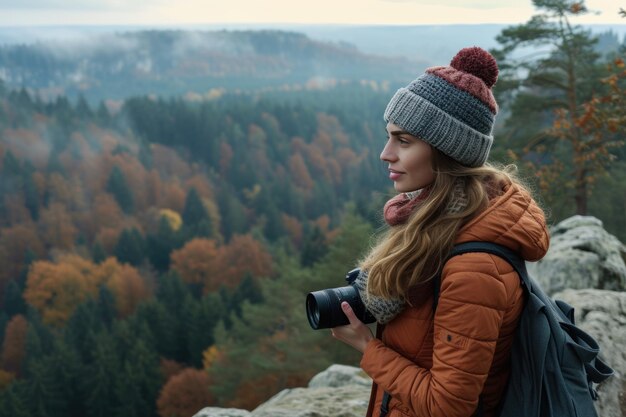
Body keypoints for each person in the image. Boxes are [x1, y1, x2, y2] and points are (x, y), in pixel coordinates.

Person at [330, 46, 550, 417]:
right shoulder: (435, 229)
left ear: (446, 151)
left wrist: (367, 347)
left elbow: (447, 406)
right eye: (389, 137)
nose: (386, 153)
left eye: (404, 141)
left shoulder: (475, 269)